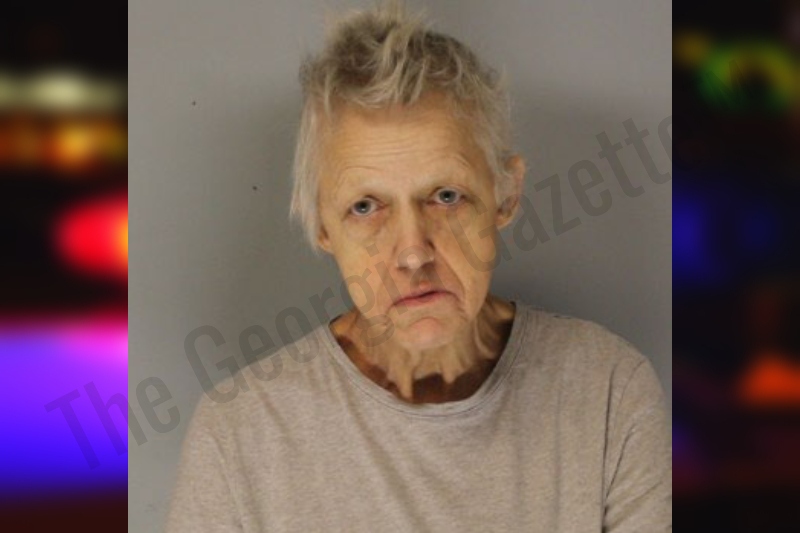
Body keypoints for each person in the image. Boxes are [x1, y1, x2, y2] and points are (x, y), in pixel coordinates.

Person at [165, 2, 671, 531]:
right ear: (321, 226)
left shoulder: (609, 391)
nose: (412, 253)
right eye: (366, 207)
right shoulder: (240, 437)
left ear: (506, 194)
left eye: (446, 196)